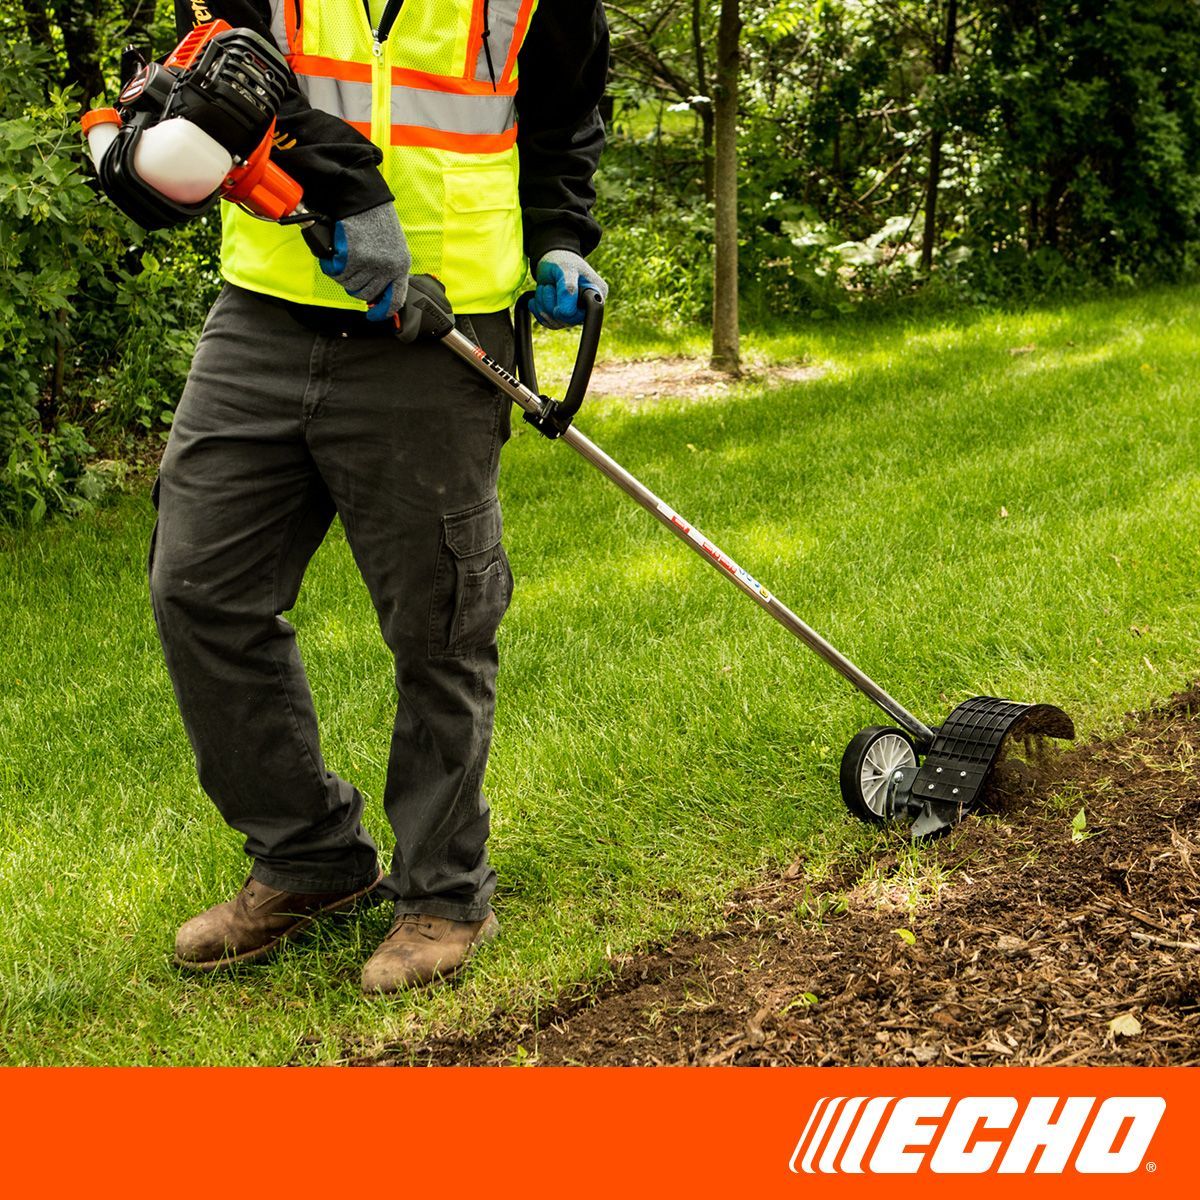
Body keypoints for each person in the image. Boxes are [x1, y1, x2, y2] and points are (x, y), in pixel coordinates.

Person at [156, 0, 609, 992]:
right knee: (198, 588)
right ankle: (309, 857)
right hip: (268, 307)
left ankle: (443, 895)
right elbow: (217, 81)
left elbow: (566, 115)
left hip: (444, 326)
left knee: (439, 620)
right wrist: (343, 200)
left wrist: (561, 236)